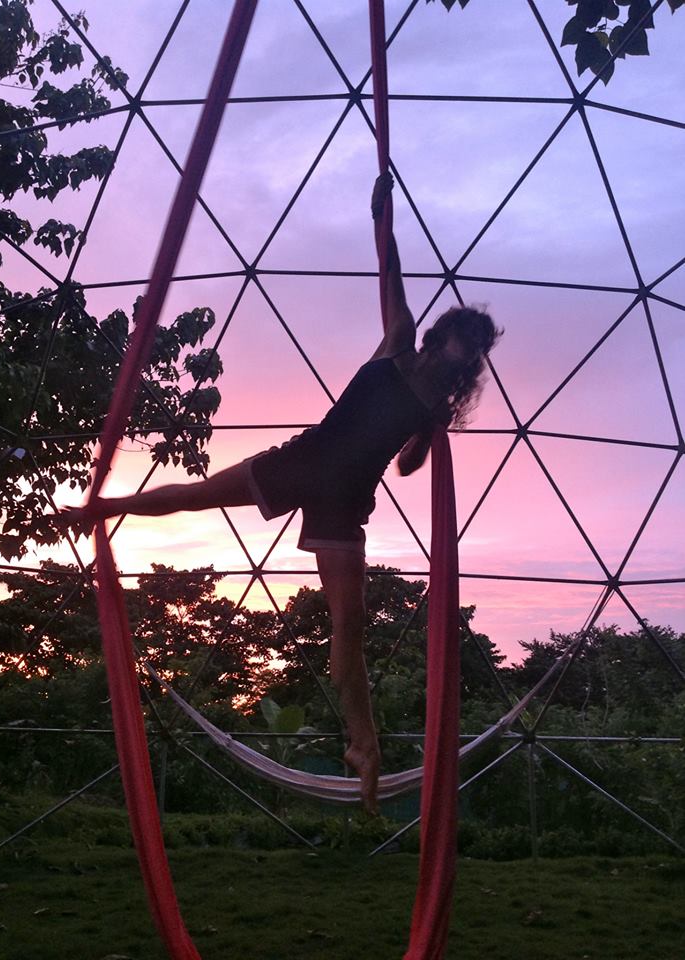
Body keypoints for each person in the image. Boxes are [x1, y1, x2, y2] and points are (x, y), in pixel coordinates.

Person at [61, 173, 501, 814]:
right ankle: (103, 508)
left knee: (348, 626)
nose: (466, 354)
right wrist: (381, 216)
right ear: (444, 332)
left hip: (346, 496)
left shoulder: (438, 401)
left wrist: (430, 433)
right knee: (200, 494)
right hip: (306, 460)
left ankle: (364, 746)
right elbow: (390, 275)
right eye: (465, 340)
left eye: (474, 351)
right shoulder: (399, 341)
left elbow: (407, 466)